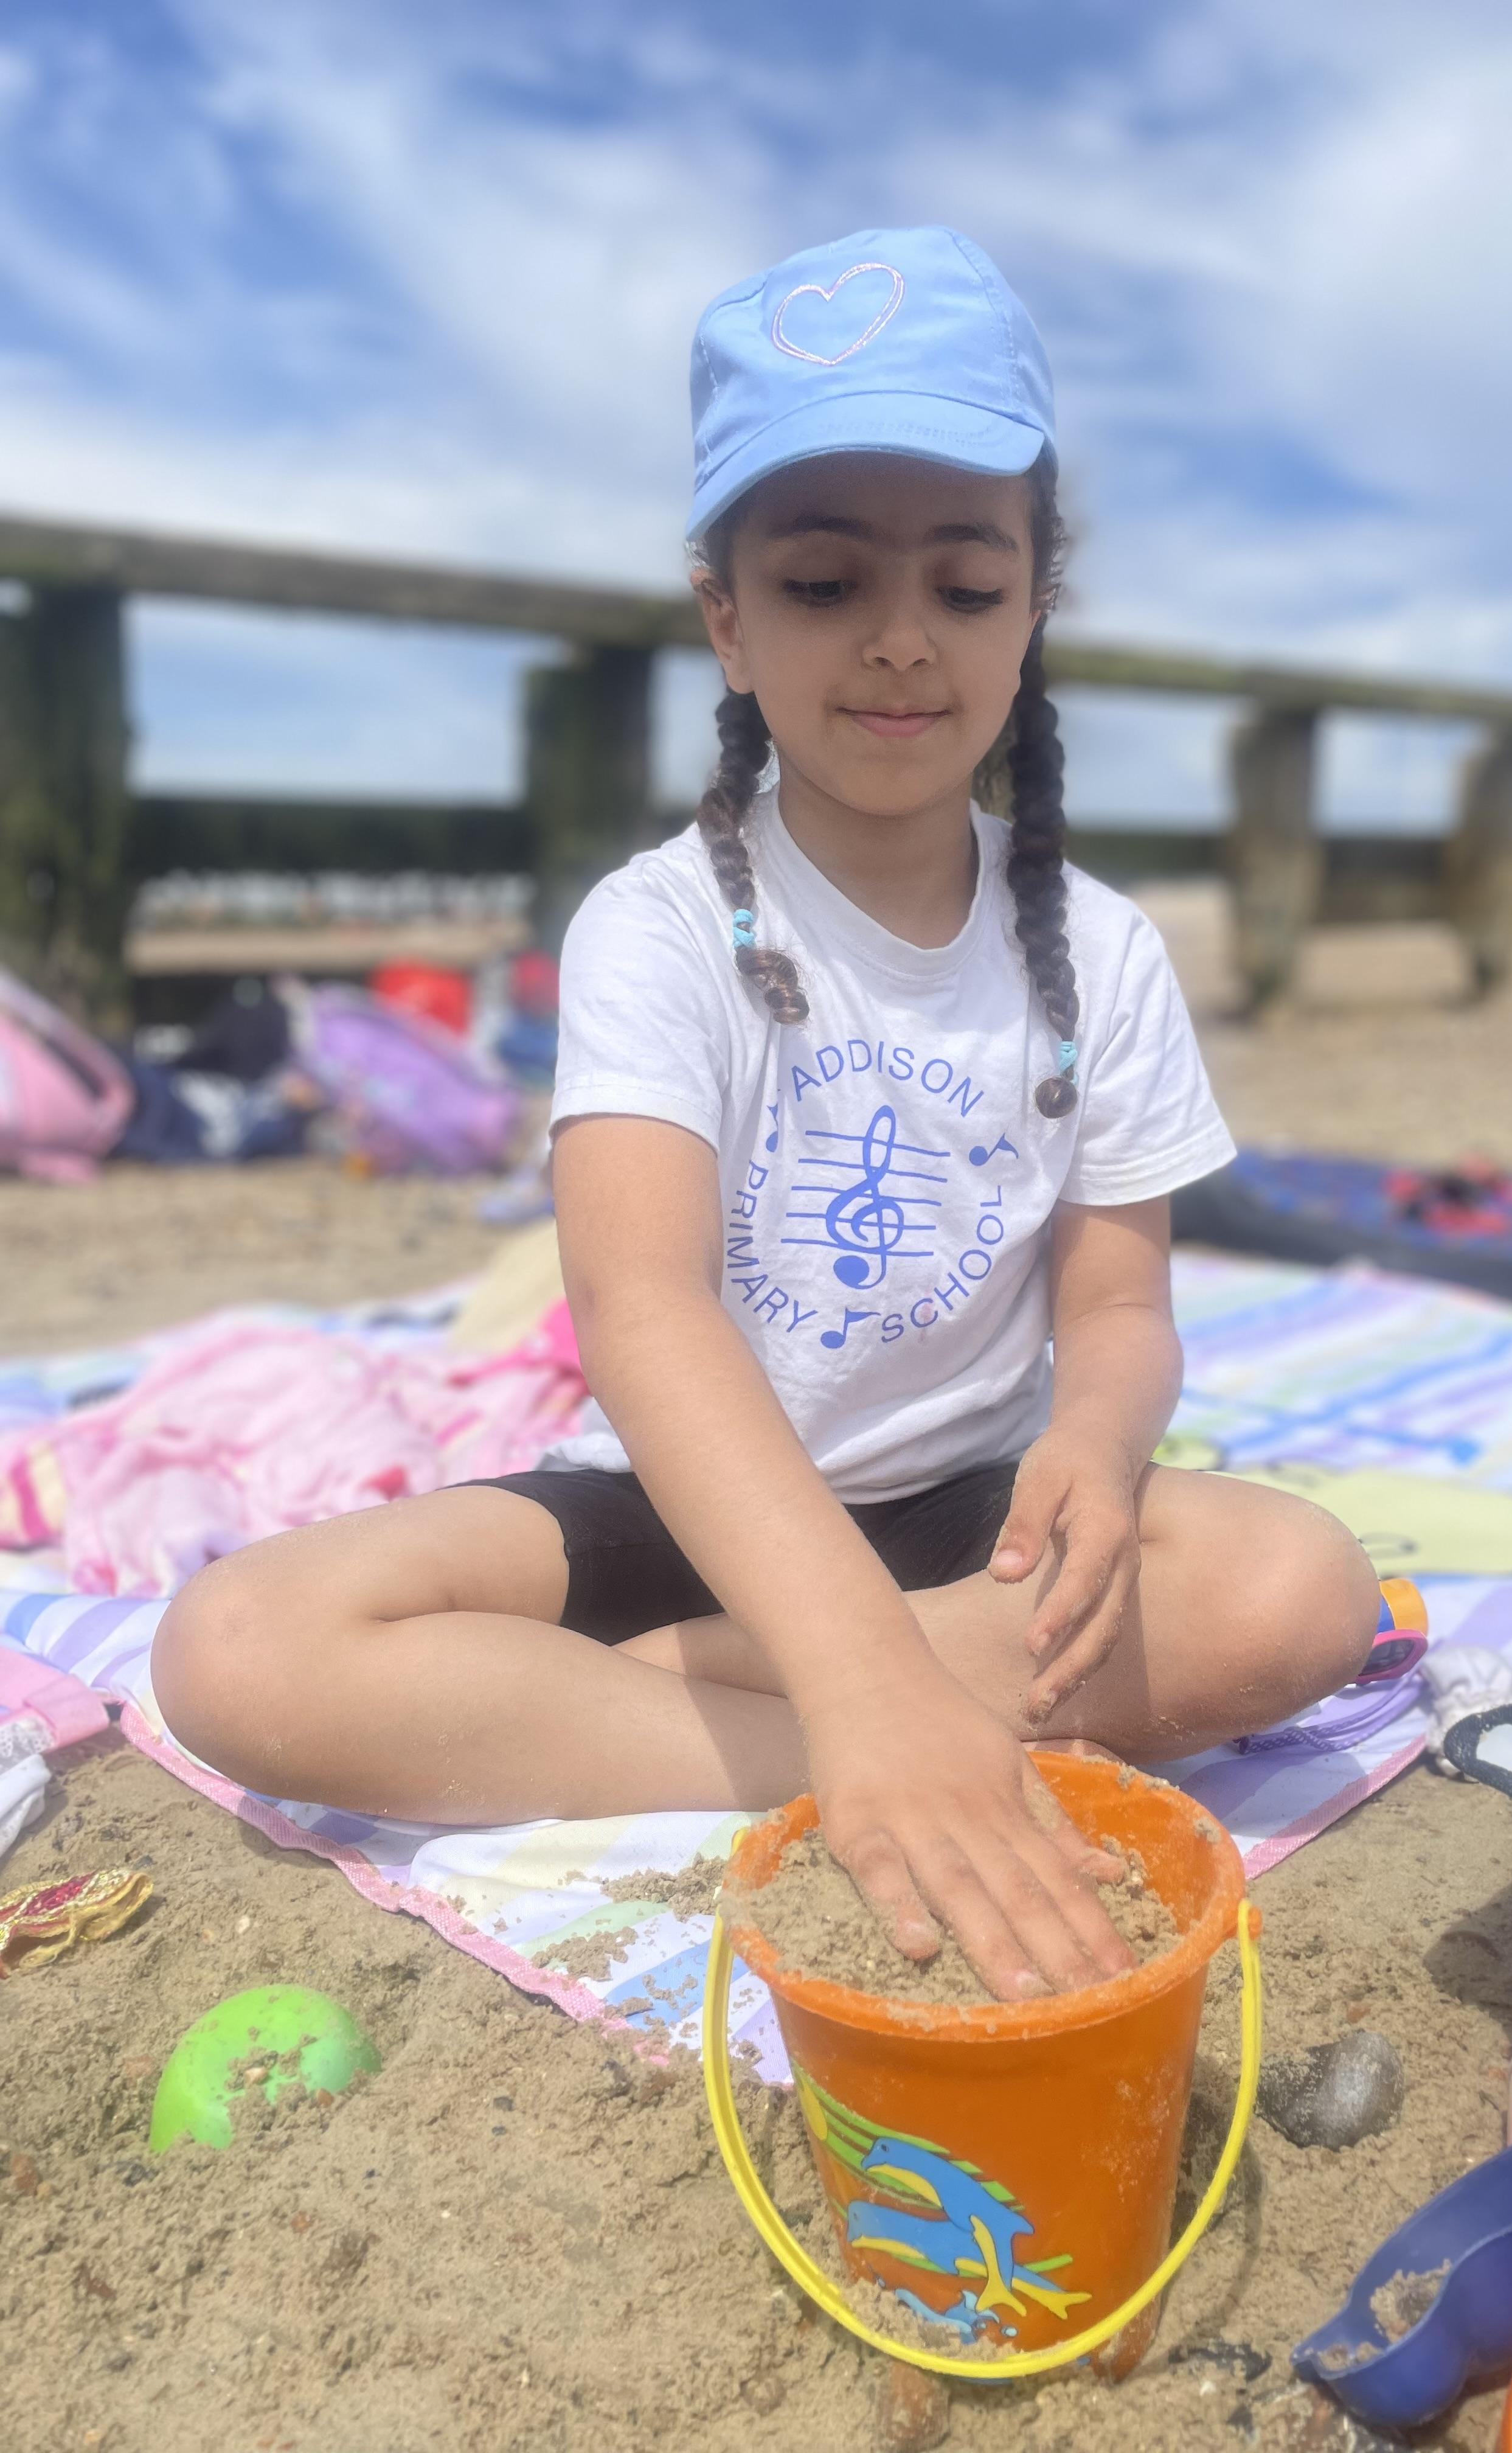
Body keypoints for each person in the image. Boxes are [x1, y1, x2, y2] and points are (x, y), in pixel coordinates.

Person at [153, 227, 1378, 2002]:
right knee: (239, 1645)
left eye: (966, 587)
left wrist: (1101, 1446)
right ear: (725, 616)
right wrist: (864, 1685)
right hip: (688, 1506)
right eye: (821, 583)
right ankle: (855, 1744)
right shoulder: (658, 926)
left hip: (969, 1525)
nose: (901, 639)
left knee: (1297, 1590)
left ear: (1036, 605)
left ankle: (699, 1704)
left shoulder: (1102, 950)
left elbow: (1120, 1306)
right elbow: (640, 1308)